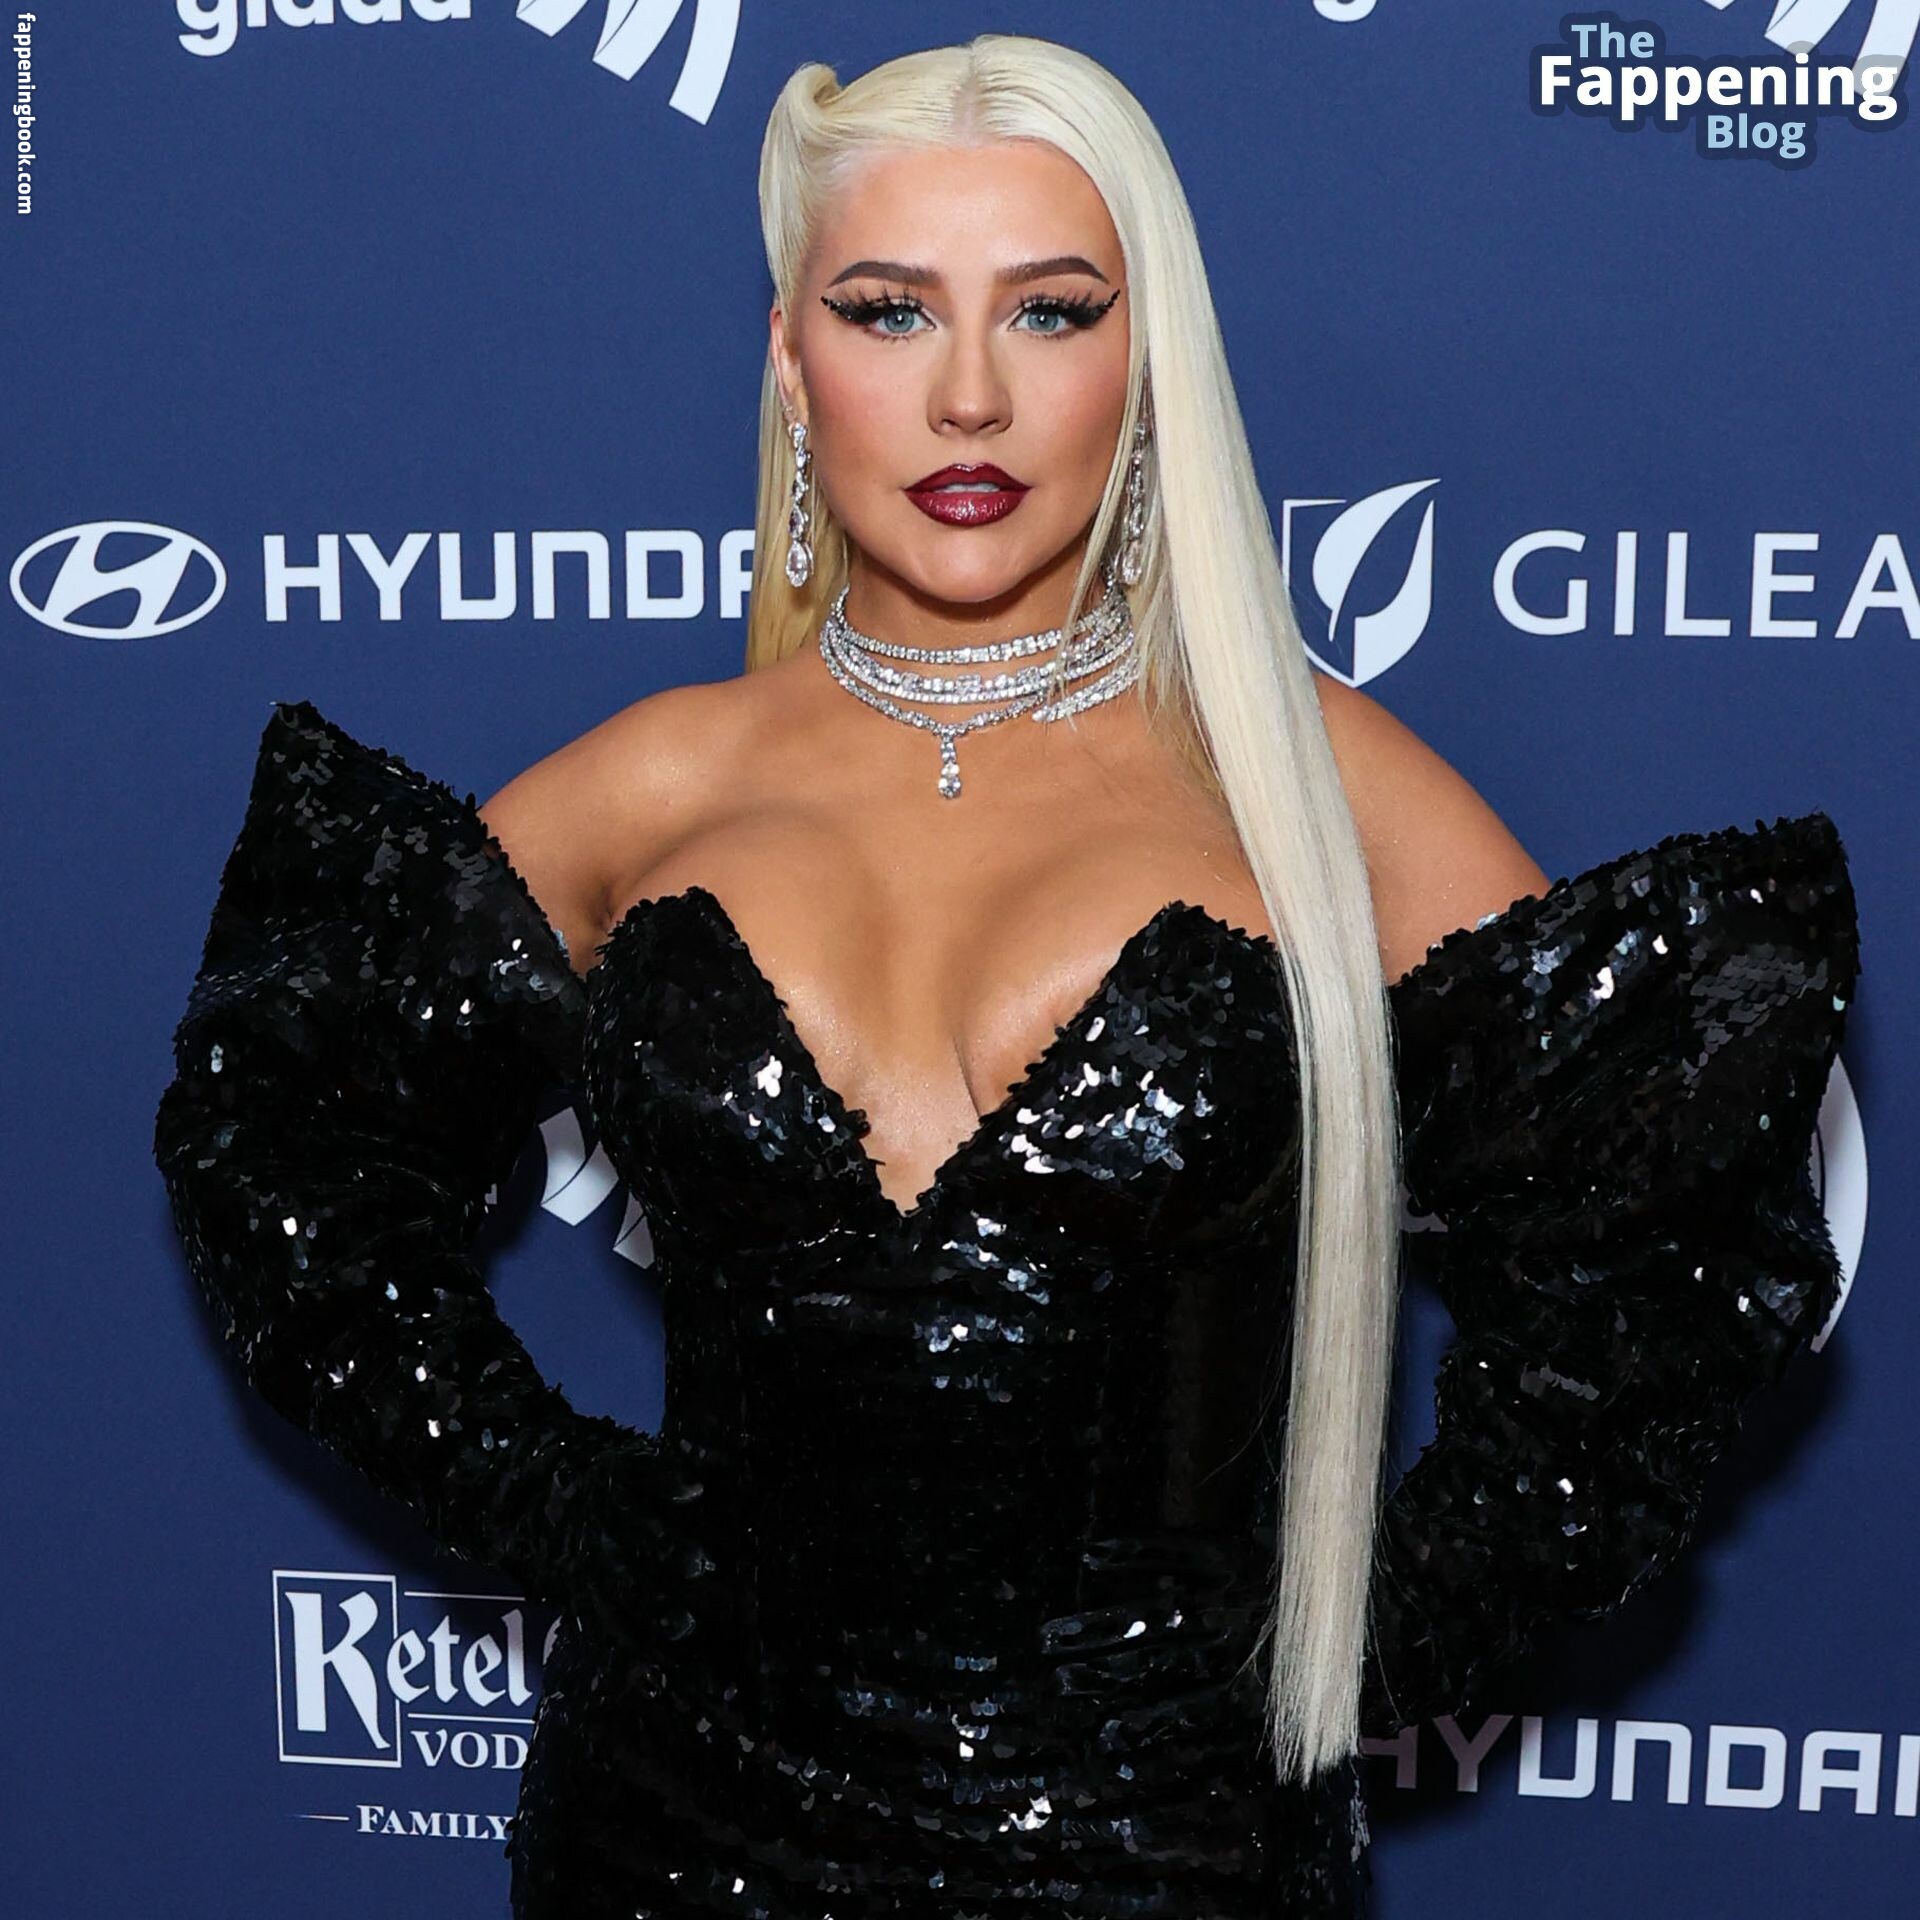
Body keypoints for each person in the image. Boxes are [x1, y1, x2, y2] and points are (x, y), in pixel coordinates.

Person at [151, 34, 1861, 1920]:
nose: (969, 395)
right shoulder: (654, 788)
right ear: (791, 362)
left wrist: (1355, 1649)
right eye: (888, 312)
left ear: (1148, 366)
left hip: (1170, 1857)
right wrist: (559, 1502)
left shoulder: (1312, 791)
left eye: (1051, 312)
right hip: (671, 1832)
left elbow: (1653, 1273)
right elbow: (284, 1149)